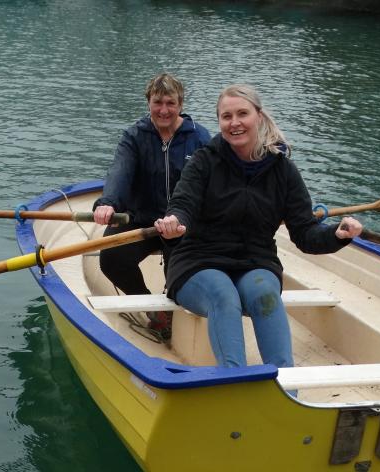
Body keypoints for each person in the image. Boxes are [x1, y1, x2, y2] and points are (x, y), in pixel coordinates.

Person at [154, 84, 363, 369]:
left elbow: (305, 233)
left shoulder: (283, 170)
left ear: (259, 117)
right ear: (219, 122)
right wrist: (175, 223)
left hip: (255, 262)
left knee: (266, 295)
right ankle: (234, 383)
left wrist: (336, 234)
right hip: (197, 262)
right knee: (223, 295)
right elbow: (183, 204)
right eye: (226, 117)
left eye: (242, 114)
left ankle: (286, 388)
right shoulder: (204, 161)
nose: (235, 123)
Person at [92, 73, 211, 340]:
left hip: (183, 223)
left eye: (170, 103)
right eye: (158, 102)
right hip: (142, 219)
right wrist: (108, 203)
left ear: (181, 104)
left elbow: (213, 182)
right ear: (148, 103)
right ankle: (151, 307)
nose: (164, 110)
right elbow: (120, 172)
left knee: (181, 272)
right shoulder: (134, 136)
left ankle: (175, 307)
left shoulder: (200, 138)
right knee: (111, 258)